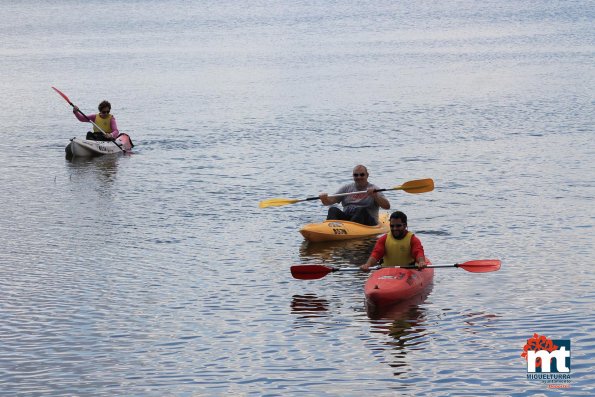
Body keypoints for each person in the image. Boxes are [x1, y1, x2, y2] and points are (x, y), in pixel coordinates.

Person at [318, 165, 390, 226]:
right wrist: (324, 198)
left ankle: (349, 228)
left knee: (360, 210)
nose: (359, 177)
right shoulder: (346, 188)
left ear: (367, 175)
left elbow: (387, 206)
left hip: (367, 222)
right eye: (356, 175)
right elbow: (329, 202)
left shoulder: (374, 189)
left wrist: (375, 196)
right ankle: (330, 228)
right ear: (353, 176)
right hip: (349, 219)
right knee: (333, 209)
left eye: (362, 174)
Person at [361, 211, 427, 270]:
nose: (395, 228)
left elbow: (418, 252)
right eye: (392, 226)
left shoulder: (413, 239)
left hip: (407, 272)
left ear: (405, 225)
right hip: (386, 271)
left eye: (398, 226)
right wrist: (368, 265)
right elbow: (376, 253)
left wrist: (421, 262)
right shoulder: (383, 239)